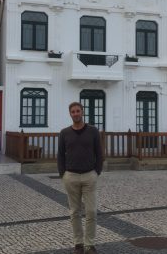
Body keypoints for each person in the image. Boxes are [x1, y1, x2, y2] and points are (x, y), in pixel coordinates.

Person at [57, 102, 103, 254]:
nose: (75, 113)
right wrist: (63, 174)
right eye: (73, 111)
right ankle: (78, 244)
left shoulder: (93, 131)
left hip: (89, 176)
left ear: (82, 112)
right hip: (71, 176)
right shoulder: (64, 133)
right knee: (74, 212)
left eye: (78, 111)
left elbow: (99, 153)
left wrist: (97, 171)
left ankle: (89, 244)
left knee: (91, 211)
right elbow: (60, 155)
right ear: (70, 114)